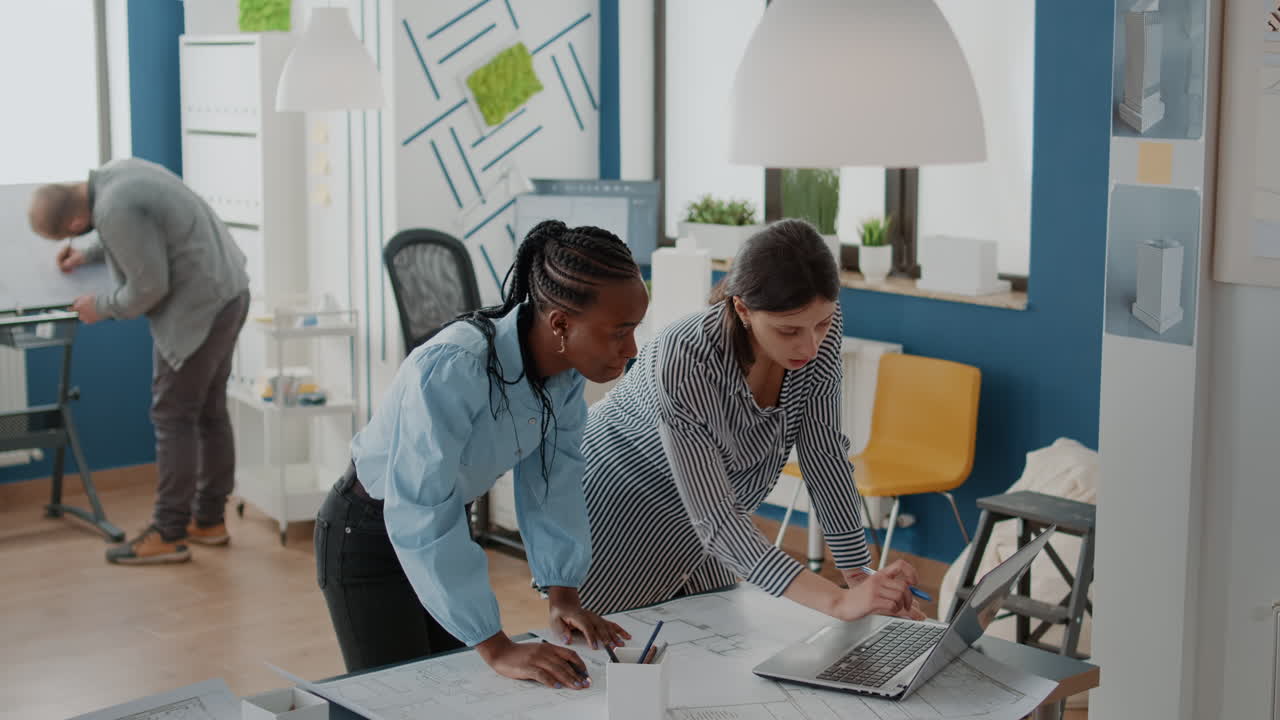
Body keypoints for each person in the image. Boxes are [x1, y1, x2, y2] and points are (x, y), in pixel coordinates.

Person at [316, 221, 648, 689]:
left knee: (452, 694)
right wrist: (496, 646)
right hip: (370, 535)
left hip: (444, 526)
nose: (631, 350)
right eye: (619, 332)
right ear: (560, 323)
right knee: (396, 701)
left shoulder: (565, 378)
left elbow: (555, 483)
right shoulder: (454, 366)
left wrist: (563, 594)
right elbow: (420, 509)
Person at [578, 218, 925, 621]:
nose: (810, 345)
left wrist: (858, 574)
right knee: (624, 664)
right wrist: (836, 602)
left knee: (713, 652)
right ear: (742, 307)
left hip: (707, 528)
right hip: (615, 508)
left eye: (823, 323)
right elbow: (719, 521)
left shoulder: (815, 332)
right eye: (788, 330)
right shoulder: (684, 358)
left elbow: (824, 453)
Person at [27, 157, 251, 565]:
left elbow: (148, 288)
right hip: (230, 291)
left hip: (197, 311)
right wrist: (88, 255)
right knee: (209, 413)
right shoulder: (120, 173)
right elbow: (142, 233)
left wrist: (101, 306)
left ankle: (168, 532)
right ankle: (209, 520)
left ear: (75, 224)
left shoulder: (112, 209)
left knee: (173, 415)